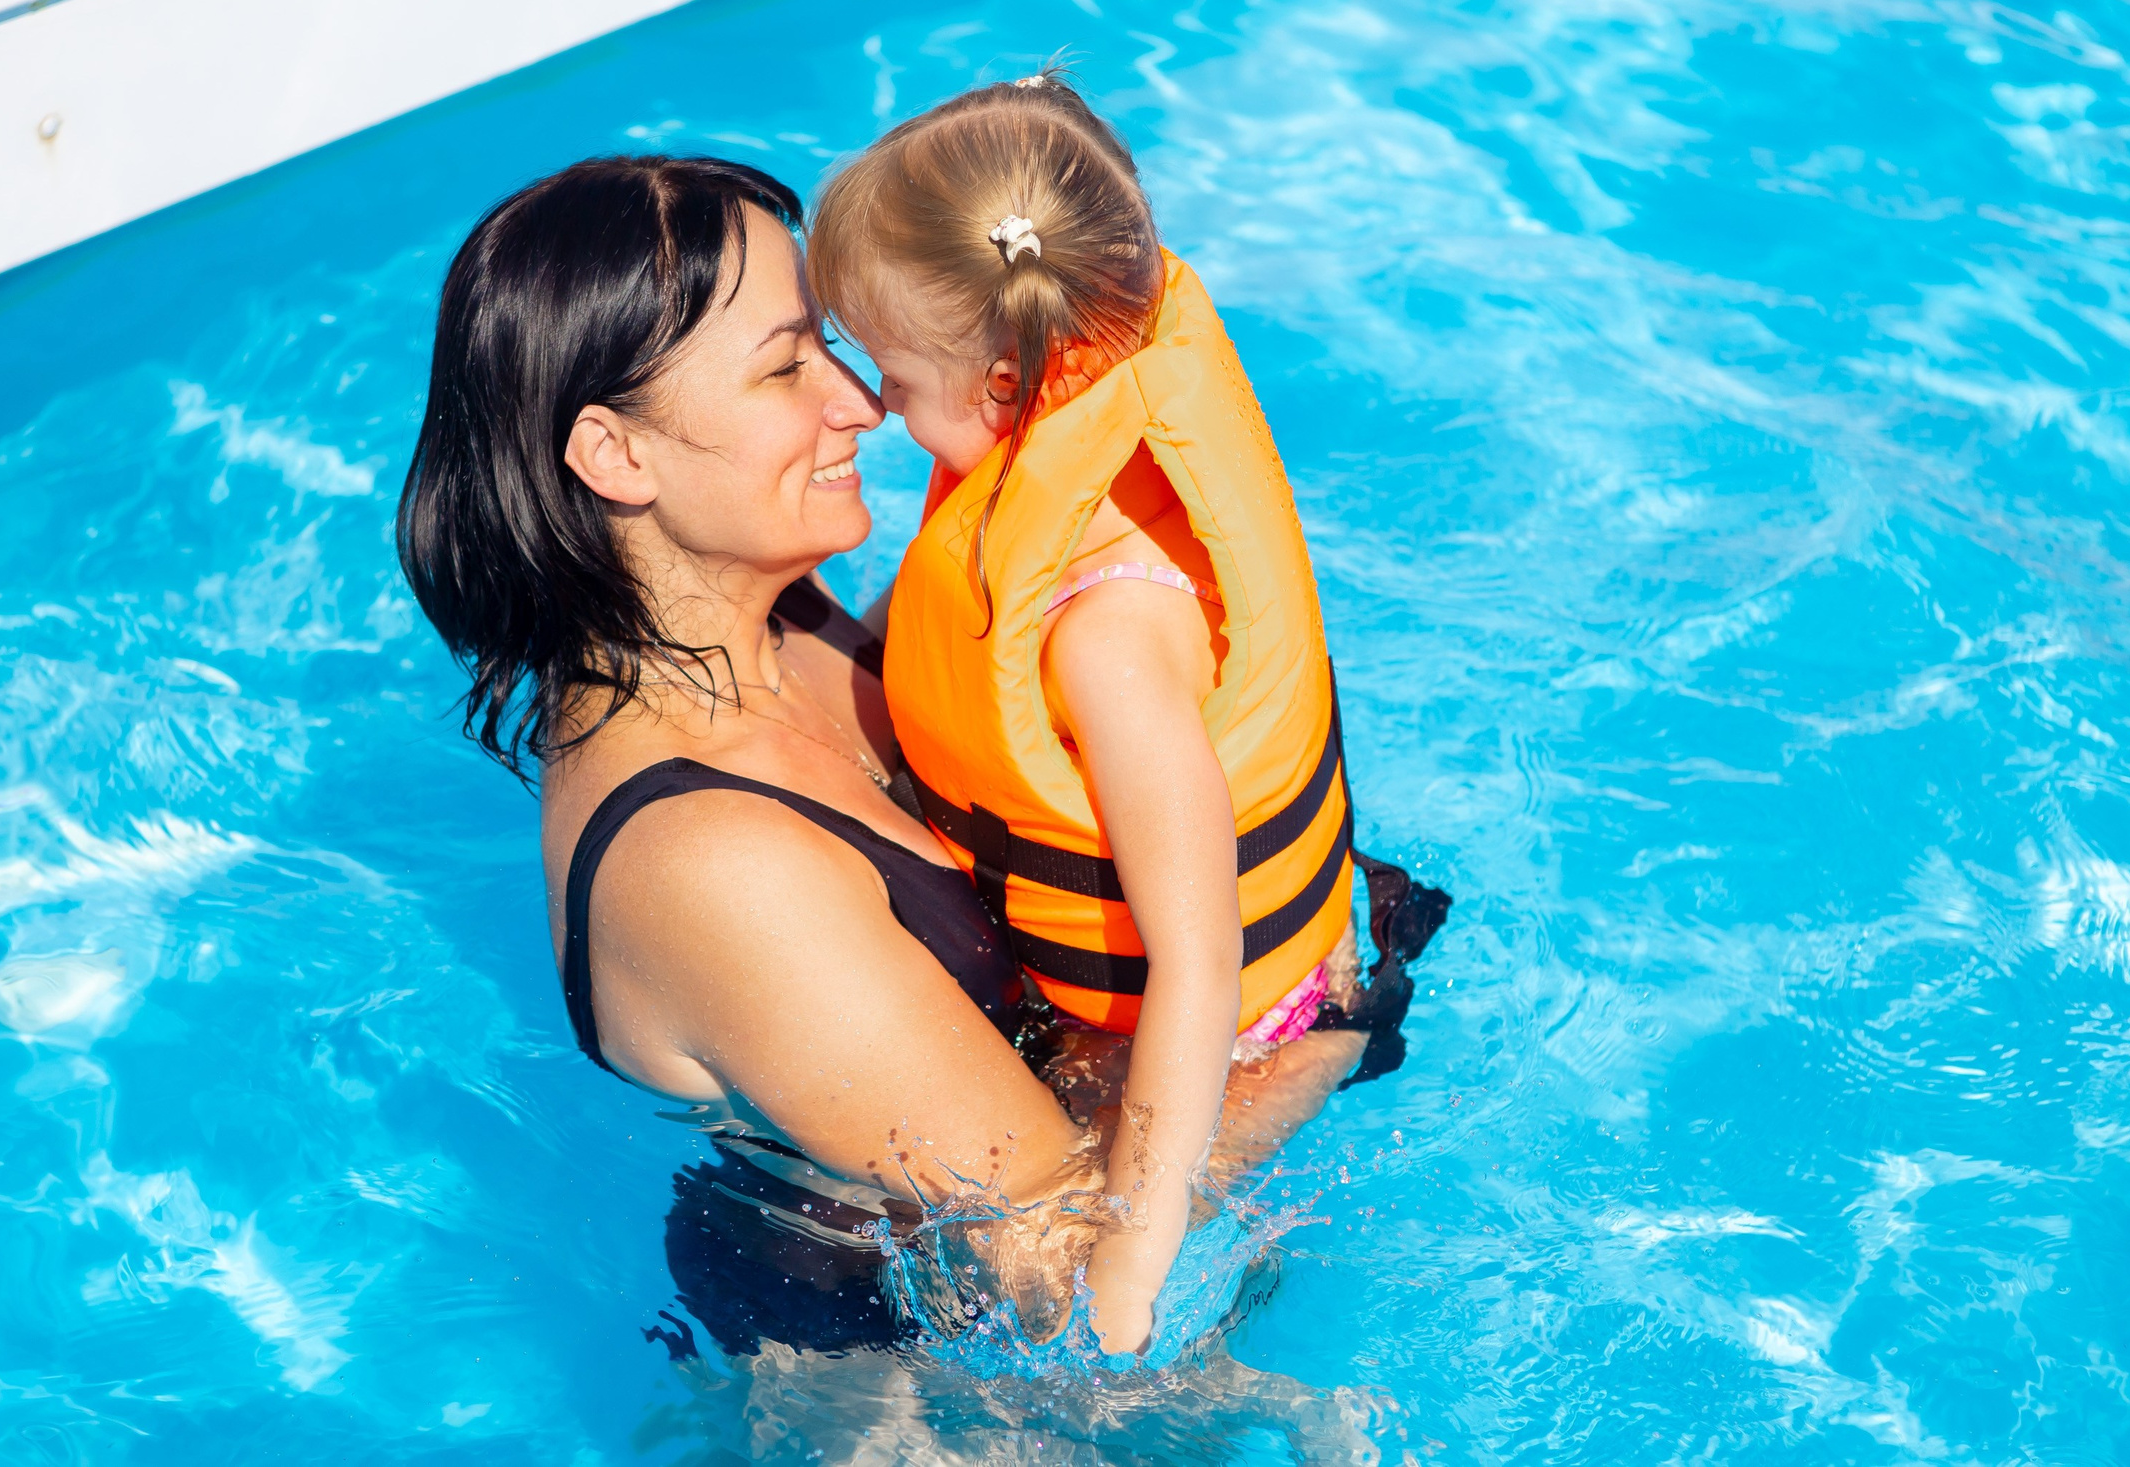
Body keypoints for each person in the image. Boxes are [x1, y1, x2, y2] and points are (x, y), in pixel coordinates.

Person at [393, 153, 1360, 1357]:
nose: (859, 402)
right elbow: (1066, 1255)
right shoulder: (709, 863)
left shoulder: (779, 622)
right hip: (909, 1389)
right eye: (786, 365)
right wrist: (1328, 1015)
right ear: (615, 455)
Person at [806, 73, 1449, 1354]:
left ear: (1004, 383)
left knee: (997, 1303)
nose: (873, 408)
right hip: (1150, 963)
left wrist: (1131, 1266)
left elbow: (1200, 963)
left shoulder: (1107, 636)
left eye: (890, 373)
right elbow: (937, 626)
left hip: (1230, 1012)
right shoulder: (1057, 459)